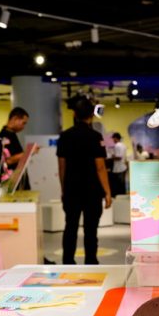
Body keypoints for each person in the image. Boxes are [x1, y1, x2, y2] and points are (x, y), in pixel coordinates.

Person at [57, 96, 112, 265]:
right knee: (91, 229)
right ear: (92, 115)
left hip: (71, 189)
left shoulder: (65, 136)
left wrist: (64, 189)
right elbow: (100, 167)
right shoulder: (96, 137)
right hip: (92, 191)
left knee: (70, 226)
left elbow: (61, 167)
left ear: (74, 114)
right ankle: (91, 261)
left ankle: (68, 261)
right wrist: (107, 192)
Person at [110, 132, 128, 196]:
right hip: (123, 166)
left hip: (118, 168)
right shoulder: (123, 145)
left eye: (113, 138)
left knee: (118, 184)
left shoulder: (117, 145)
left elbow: (119, 157)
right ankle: (123, 195)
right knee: (122, 184)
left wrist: (112, 157)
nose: (112, 140)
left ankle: (119, 196)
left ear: (115, 138)